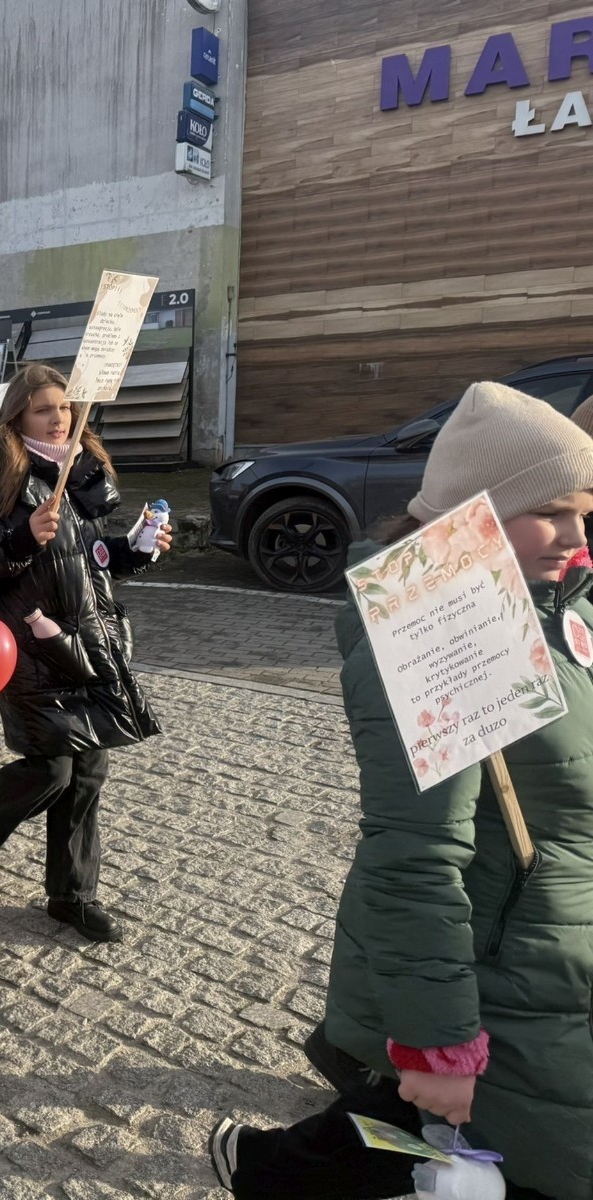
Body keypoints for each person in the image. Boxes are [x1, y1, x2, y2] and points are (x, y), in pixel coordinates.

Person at [209, 382, 593, 1200]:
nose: (576, 535)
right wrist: (438, 1043)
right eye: (552, 512)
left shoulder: (561, 608)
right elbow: (413, 858)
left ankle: (270, 1162)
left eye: (585, 512)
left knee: (410, 1127)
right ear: (477, 514)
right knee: (501, 1152)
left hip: (553, 963)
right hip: (497, 974)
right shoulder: (442, 628)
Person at [0, 363, 169, 940]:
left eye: (65, 408)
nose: (59, 419)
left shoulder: (78, 478)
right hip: (32, 652)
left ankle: (72, 895)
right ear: (17, 417)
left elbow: (91, 562)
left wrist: (137, 548)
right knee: (49, 769)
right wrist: (21, 538)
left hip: (86, 650)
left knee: (89, 771)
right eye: (44, 409)